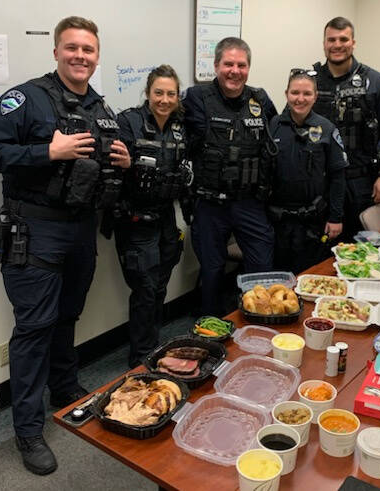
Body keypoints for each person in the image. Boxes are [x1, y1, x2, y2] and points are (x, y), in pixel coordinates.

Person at [0, 16, 130, 475]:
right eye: (72, 48)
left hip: (80, 229)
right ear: (57, 52)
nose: (80, 56)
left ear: (97, 55)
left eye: (88, 49)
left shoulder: (102, 107)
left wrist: (119, 158)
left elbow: (96, 165)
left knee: (67, 317)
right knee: (34, 329)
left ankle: (65, 390)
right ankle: (28, 430)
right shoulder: (25, 99)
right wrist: (47, 151)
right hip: (35, 231)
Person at [184, 37, 277, 316]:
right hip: (210, 203)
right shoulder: (196, 98)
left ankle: (257, 321)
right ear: (216, 66)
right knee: (212, 270)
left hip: (249, 202)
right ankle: (211, 328)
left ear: (248, 68)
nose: (234, 71)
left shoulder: (260, 99)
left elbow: (276, 141)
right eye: (228, 64)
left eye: (241, 65)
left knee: (262, 265)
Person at [114, 65, 190, 368]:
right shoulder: (128, 122)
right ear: (148, 93)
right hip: (135, 221)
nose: (164, 99)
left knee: (159, 288)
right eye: (158, 92)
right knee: (145, 290)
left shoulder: (179, 127)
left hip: (165, 220)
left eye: (171, 93)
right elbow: (115, 168)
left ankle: (153, 345)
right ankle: (141, 357)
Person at [313, 17, 380, 240]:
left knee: (360, 246)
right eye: (331, 39)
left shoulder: (373, 80)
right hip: (320, 181)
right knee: (320, 244)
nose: (337, 45)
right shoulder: (310, 81)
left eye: (343, 39)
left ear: (353, 43)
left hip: (360, 181)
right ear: (324, 43)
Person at [268, 70, 347, 274]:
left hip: (313, 220)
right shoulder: (273, 126)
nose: (300, 99)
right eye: (295, 93)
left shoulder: (327, 129)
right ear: (286, 94)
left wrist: (336, 217)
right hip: (278, 221)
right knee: (279, 276)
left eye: (307, 93)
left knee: (310, 274)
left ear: (315, 96)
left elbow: (338, 176)